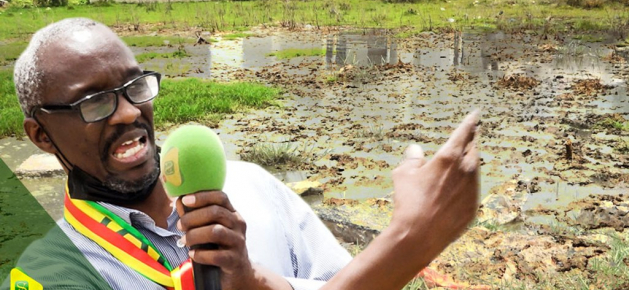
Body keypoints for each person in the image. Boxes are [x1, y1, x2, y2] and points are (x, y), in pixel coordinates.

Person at [3, 18, 480, 290]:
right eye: (94, 102)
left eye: (135, 86)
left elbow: (337, 278)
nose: (128, 113)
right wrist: (410, 239)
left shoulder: (252, 183)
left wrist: (257, 284)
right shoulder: (48, 275)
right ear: (41, 135)